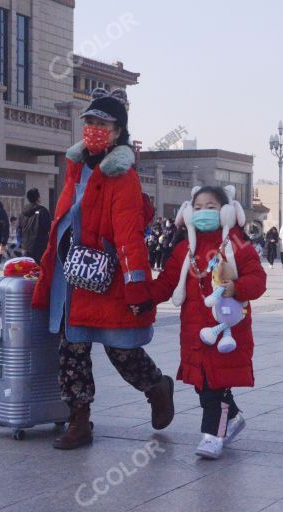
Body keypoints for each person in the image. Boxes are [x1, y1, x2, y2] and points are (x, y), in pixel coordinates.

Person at [31, 88, 174, 450]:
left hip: (106, 276)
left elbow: (129, 235)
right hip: (72, 278)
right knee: (72, 350)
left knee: (121, 349)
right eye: (90, 122)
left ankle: (157, 386)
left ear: (117, 131)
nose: (93, 128)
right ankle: (79, 421)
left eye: (102, 123)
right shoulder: (76, 167)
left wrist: (137, 287)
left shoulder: (122, 175)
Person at [143, 186, 267, 459]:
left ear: (225, 211)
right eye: (197, 207)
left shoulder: (238, 245)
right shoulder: (184, 249)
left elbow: (258, 280)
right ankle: (233, 418)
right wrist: (140, 295)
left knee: (215, 388)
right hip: (193, 331)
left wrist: (237, 287)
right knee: (204, 384)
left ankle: (212, 436)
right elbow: (167, 283)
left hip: (227, 331)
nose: (203, 213)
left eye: (210, 207)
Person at [18, 188, 51, 264]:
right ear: (38, 198)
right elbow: (49, 228)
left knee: (26, 270)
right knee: (38, 271)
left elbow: (19, 228)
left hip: (25, 247)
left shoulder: (23, 212)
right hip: (39, 247)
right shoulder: (43, 211)